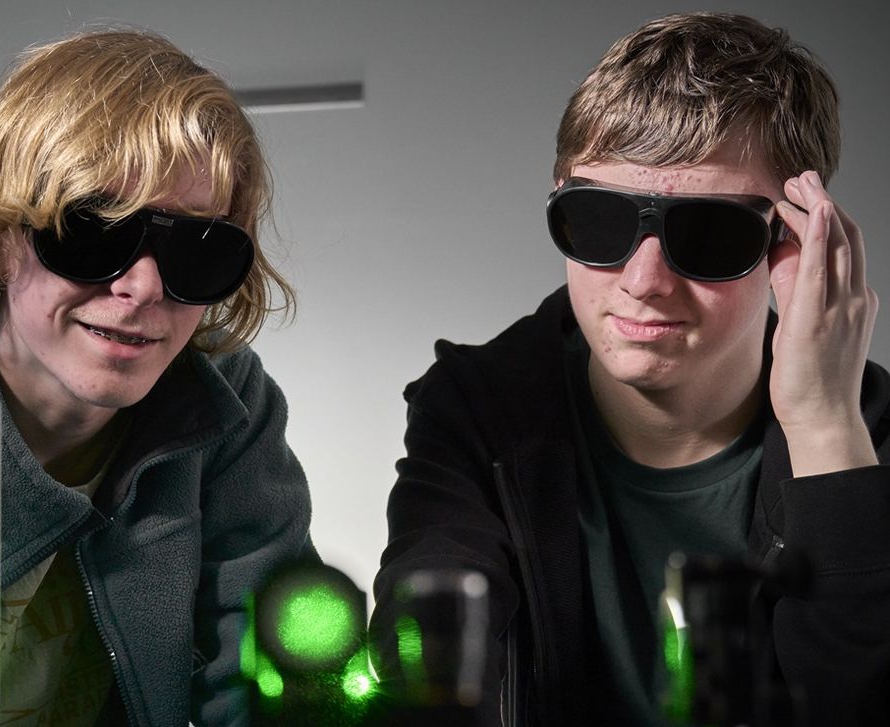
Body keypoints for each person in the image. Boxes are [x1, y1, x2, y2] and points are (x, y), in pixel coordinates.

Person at [372, 12, 890, 726]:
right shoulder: (474, 411)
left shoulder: (869, 438)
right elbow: (425, 677)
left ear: (797, 241)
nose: (644, 279)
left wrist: (828, 426)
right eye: (603, 220)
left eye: (708, 232)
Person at [0, 29, 314, 726]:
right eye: (95, 232)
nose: (144, 286)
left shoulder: (227, 409)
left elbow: (266, 688)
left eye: (197, 249)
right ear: (0, 237)